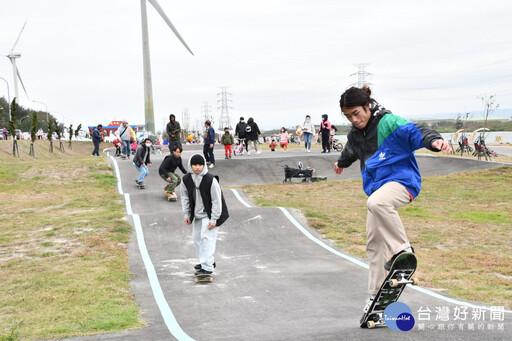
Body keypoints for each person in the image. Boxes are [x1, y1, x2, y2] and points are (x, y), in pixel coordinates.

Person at [333, 86, 451, 322]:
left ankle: (403, 251)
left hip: (402, 182)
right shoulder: (356, 135)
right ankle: (375, 295)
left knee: (377, 202)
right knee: (373, 243)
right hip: (378, 190)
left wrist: (434, 140)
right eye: (348, 117)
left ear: (368, 106)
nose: (354, 120)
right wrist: (341, 163)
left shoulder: (388, 122)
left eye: (357, 113)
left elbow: (416, 131)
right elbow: (350, 151)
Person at [181, 154, 229, 276]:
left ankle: (207, 268)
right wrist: (186, 214)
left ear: (204, 165)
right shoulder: (186, 179)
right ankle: (207, 261)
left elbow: (217, 201)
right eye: (195, 165)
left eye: (200, 165)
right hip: (197, 215)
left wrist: (214, 219)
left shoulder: (210, 179)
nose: (197, 167)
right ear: (190, 165)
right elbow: (185, 198)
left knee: (206, 239)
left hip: (210, 215)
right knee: (197, 239)